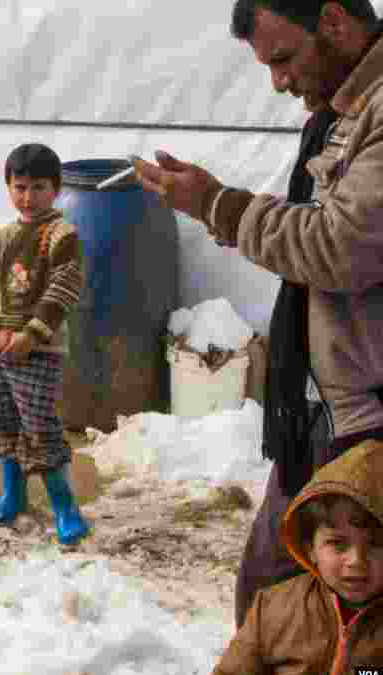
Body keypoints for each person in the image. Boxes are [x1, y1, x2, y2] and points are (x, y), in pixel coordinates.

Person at [131, 0, 383, 626]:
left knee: (349, 616)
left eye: (283, 58)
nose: (277, 80)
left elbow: (341, 247)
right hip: (319, 403)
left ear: (333, 21)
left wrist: (221, 206)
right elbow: (325, 222)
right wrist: (231, 213)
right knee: (271, 599)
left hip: (363, 413)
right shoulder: (343, 108)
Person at [0, 143, 90, 545]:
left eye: (38, 187)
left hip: (40, 348)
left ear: (56, 189)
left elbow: (64, 287)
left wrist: (31, 334)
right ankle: (14, 494)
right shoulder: (4, 235)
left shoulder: (62, 234)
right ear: (8, 187)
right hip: (0, 346)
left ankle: (64, 506)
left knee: (39, 424)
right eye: (19, 187)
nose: (28, 197)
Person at [210, 439, 383, 675]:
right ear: (311, 547)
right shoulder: (273, 610)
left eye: (376, 545)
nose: (356, 561)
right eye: (338, 544)